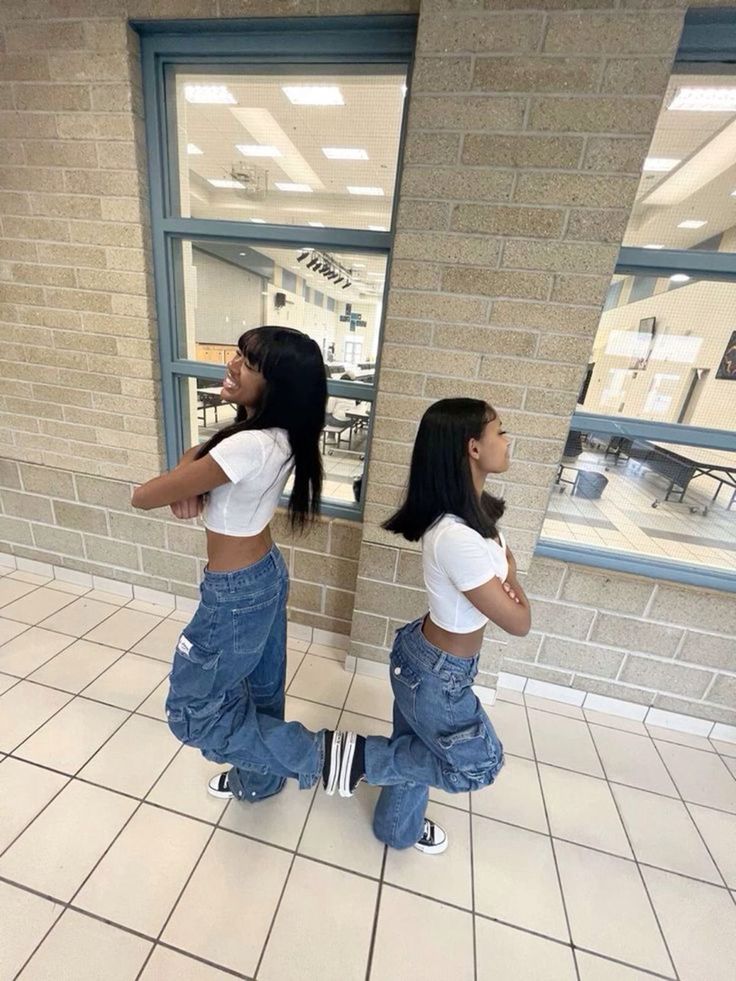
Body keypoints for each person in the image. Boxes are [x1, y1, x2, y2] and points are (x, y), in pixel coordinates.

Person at [132, 325, 335, 802]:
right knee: (262, 691)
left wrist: (184, 485)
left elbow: (144, 496)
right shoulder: (279, 435)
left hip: (236, 594)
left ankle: (323, 759)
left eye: (248, 363)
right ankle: (260, 781)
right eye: (238, 354)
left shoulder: (247, 445)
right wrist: (193, 481)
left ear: (275, 385)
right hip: (264, 575)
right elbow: (194, 464)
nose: (232, 365)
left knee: (192, 709)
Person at [322, 398, 531, 854]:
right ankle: (359, 759)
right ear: (473, 448)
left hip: (434, 660)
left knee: (417, 747)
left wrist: (507, 571)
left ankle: (396, 828)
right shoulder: (458, 536)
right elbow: (518, 620)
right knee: (481, 764)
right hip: (438, 674)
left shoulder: (480, 517)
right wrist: (511, 575)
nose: (507, 439)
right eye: (500, 431)